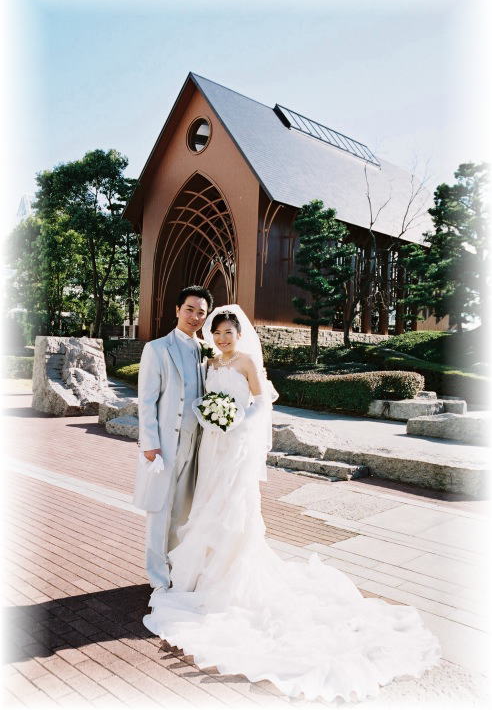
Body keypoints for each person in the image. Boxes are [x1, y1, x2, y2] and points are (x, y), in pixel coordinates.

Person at [142, 304, 441, 704]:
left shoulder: (247, 362)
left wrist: (237, 427)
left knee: (232, 509)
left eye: (229, 332)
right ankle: (201, 572)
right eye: (218, 332)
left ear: (240, 334)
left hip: (235, 447)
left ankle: (227, 578)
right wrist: (214, 420)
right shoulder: (210, 361)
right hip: (211, 447)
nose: (223, 338)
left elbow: (261, 404)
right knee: (206, 505)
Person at [133, 285, 213, 592]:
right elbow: (146, 400)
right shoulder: (157, 349)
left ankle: (175, 569)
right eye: (189, 309)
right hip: (165, 445)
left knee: (182, 511)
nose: (195, 317)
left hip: (197, 444)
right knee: (159, 510)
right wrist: (150, 443)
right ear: (177, 310)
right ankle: (157, 576)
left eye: (201, 312)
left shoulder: (206, 351)